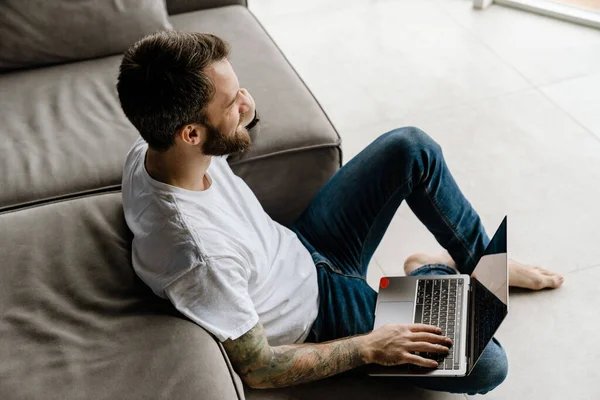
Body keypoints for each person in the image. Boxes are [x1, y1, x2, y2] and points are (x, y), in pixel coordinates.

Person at [117, 31, 564, 395]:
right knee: (489, 364)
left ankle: (484, 263)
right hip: (323, 316)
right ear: (191, 133)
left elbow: (227, 134)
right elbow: (261, 369)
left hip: (303, 247)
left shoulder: (153, 150)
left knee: (412, 147)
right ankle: (426, 269)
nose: (247, 104)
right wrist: (368, 348)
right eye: (233, 102)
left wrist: (235, 116)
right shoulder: (197, 256)